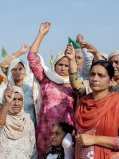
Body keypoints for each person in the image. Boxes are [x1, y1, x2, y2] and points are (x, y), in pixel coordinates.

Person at [28, 21, 76, 159]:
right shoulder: (46, 79)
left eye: (67, 65)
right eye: (60, 64)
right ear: (54, 65)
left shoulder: (75, 84)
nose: (63, 68)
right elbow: (32, 58)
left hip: (67, 132)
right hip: (46, 131)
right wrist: (41, 34)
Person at [74, 60, 119, 159]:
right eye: (92, 74)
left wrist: (94, 139)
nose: (95, 78)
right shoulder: (83, 103)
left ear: (111, 81)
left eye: (101, 75)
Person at [0, 81, 37, 159]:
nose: (17, 103)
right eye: (13, 99)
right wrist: (6, 104)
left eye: (20, 99)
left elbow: (33, 151)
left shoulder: (28, 121)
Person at [0, 57, 36, 124]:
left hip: (29, 124)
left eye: (20, 69)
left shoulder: (32, 86)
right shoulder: (6, 85)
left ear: (25, 70)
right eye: (14, 69)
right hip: (10, 125)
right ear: (10, 72)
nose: (18, 72)